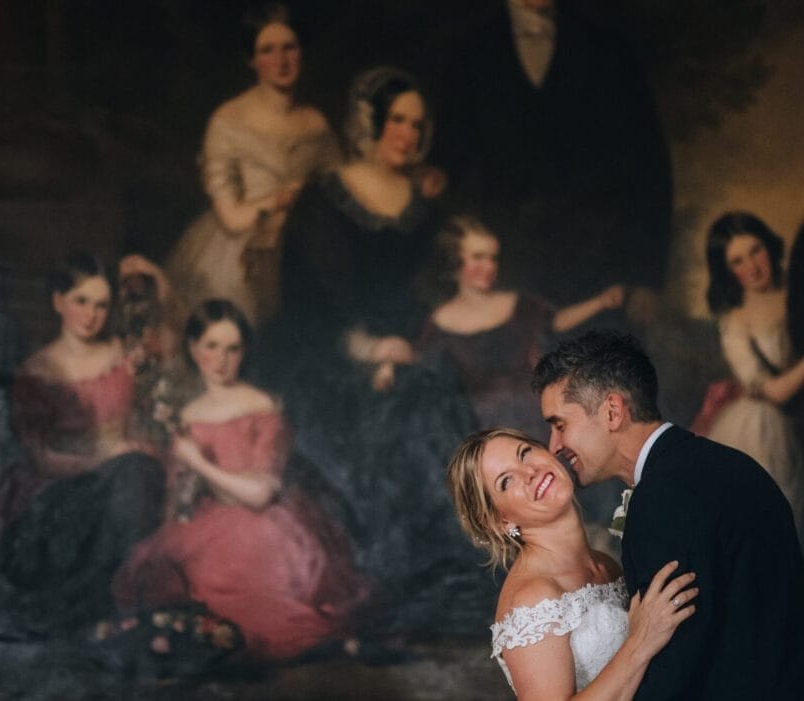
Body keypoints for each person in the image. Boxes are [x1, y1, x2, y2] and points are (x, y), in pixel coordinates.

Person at [261, 66, 493, 638]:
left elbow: (432, 291)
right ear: (370, 123)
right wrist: (368, 350)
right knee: (394, 413)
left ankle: (448, 578)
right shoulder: (327, 195)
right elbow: (308, 302)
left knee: (434, 394)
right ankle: (391, 587)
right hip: (330, 359)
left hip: (406, 351)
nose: (407, 135)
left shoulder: (424, 204)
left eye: (417, 124)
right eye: (397, 121)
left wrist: (403, 349)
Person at [532, 330, 804, 699]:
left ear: (613, 412)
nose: (554, 445)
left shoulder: (662, 497)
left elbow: (675, 667)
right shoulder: (730, 463)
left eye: (560, 425)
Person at [112, 300, 367, 662]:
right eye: (211, 346)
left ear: (244, 353)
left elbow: (261, 493)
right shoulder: (187, 415)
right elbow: (179, 499)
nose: (221, 360)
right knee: (167, 577)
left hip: (262, 526)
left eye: (232, 349)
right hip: (205, 525)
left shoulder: (261, 406)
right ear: (193, 349)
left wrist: (198, 462)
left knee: (244, 595)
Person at [431, 0, 672, 319]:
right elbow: (446, 167)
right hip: (508, 269)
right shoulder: (471, 52)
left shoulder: (608, 48)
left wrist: (646, 276)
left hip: (600, 271)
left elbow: (649, 166)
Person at [0, 252, 165, 639]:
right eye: (81, 301)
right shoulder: (38, 371)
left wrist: (154, 275)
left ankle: (106, 604)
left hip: (128, 476)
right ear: (58, 301)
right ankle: (81, 608)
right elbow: (41, 459)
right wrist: (106, 459)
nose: (91, 315)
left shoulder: (121, 355)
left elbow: (174, 340)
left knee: (139, 477)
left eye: (101, 305)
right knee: (128, 479)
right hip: (63, 485)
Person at [447, 427, 698, 698]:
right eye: (506, 481)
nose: (529, 472)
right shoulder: (530, 599)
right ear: (499, 521)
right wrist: (640, 643)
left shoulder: (605, 564)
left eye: (525, 453)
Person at [165, 3, 341, 326]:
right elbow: (231, 218)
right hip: (239, 251)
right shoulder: (227, 120)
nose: (281, 60)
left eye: (289, 47)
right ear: (252, 60)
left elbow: (340, 189)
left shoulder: (316, 123)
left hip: (305, 243)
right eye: (267, 50)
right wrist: (280, 199)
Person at [417, 215, 625, 438]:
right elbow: (423, 370)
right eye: (478, 257)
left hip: (538, 413)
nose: (489, 266)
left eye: (493, 258)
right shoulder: (439, 323)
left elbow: (556, 321)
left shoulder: (518, 304)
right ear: (454, 261)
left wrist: (600, 302)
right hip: (487, 429)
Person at [701, 212, 804, 533]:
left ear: (769, 247)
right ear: (727, 270)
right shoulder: (735, 322)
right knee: (772, 518)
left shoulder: (801, 291)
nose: (752, 266)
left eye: (756, 251)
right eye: (738, 261)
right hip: (766, 428)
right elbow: (775, 393)